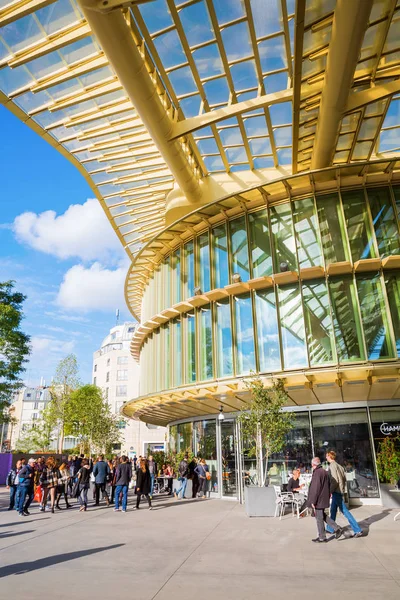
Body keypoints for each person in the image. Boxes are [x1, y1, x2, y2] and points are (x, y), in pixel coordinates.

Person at [325, 450, 363, 538]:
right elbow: (344, 479)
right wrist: (341, 489)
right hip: (339, 491)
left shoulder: (332, 466)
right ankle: (330, 528)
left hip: (336, 491)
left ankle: (357, 530)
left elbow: (335, 481)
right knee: (333, 510)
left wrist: (329, 491)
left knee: (345, 511)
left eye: (327, 456)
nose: (326, 457)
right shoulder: (340, 466)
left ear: (330, 456)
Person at [307, 457, 343, 543]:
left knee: (319, 518)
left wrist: (313, 501)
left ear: (313, 464)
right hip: (323, 498)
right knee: (321, 516)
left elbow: (316, 488)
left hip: (319, 499)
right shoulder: (324, 471)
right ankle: (337, 528)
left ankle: (322, 537)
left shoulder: (317, 473)